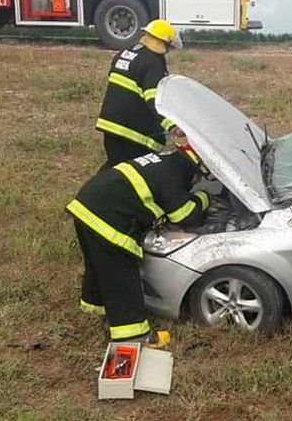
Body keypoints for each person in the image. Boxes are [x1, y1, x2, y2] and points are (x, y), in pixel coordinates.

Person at [66, 144, 210, 347]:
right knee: (122, 277)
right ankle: (133, 335)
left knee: (98, 264)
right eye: (199, 178)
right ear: (193, 169)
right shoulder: (174, 176)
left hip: (86, 205)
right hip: (109, 216)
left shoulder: (164, 162)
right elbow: (184, 215)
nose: (198, 182)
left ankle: (93, 306)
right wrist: (204, 198)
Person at [95, 19, 183, 167]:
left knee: (115, 167)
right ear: (164, 44)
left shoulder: (125, 53)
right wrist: (173, 126)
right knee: (132, 174)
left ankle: (96, 189)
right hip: (133, 135)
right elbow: (155, 99)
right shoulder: (152, 62)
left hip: (110, 126)